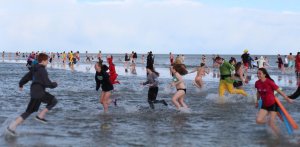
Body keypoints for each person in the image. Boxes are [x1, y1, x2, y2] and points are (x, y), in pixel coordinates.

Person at [7, 53, 58, 136]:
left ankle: (12, 127)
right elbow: (47, 83)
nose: (48, 62)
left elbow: (26, 77)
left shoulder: (34, 69)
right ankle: (40, 116)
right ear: (44, 61)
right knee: (54, 101)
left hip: (34, 92)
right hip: (39, 93)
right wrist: (55, 84)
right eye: (47, 61)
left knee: (29, 111)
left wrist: (21, 84)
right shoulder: (42, 70)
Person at [255, 68, 293, 135]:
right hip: (264, 105)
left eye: (260, 73)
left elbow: (279, 91)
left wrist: (287, 98)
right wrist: (257, 101)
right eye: (257, 73)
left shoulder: (269, 82)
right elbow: (258, 92)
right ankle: (269, 121)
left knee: (272, 124)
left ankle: (278, 136)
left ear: (264, 74)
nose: (258, 75)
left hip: (272, 105)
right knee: (258, 120)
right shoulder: (257, 83)